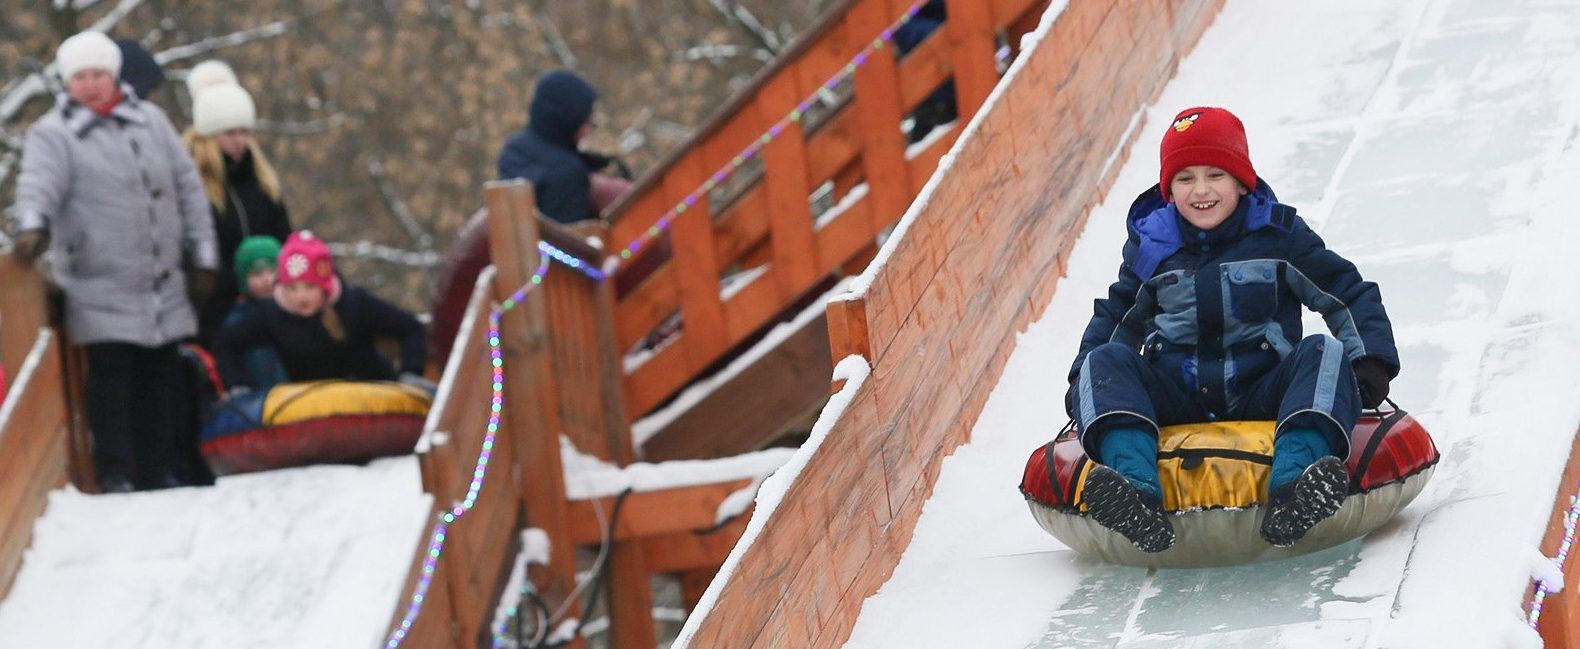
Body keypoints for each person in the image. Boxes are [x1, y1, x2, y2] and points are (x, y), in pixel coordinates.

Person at [1063, 107, 1398, 552]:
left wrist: (1369, 361)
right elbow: (1116, 318)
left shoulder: (1278, 236)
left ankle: (1295, 486)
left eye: (1215, 175)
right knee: (1104, 360)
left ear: (1242, 181)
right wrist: (1085, 386)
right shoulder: (1153, 248)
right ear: (1168, 192)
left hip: (1262, 389)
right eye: (1185, 179)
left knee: (1325, 350)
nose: (1201, 191)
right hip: (1178, 394)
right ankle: (1134, 493)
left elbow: (1344, 291)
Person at [10, 31, 220, 493]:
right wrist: (32, 226)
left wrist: (202, 257)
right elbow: (38, 185)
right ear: (68, 82)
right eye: (80, 77)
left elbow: (189, 191)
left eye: (98, 75)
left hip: (161, 281)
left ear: (113, 77)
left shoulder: (150, 121)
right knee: (111, 384)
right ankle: (117, 472)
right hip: (98, 280)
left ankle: (160, 469)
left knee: (160, 379)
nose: (89, 85)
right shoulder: (55, 133)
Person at [214, 231, 427, 391]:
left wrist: (410, 372)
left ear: (324, 286)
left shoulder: (354, 303)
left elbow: (411, 327)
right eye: (292, 288)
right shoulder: (272, 313)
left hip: (370, 394)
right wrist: (238, 386)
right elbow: (227, 343)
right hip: (312, 407)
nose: (300, 297)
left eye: (309, 287)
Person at [182, 60, 293, 345]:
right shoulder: (191, 183)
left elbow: (283, 232)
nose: (239, 140)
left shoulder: (261, 178)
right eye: (230, 133)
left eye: (244, 131)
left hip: (269, 300)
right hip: (216, 309)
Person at [496, 69, 605, 225]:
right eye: (586, 120)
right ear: (569, 119)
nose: (588, 129)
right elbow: (574, 240)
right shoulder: (567, 172)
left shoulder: (514, 149)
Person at [222, 235, 289, 391]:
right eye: (258, 274)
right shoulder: (237, 320)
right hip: (258, 399)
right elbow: (228, 358)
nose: (267, 280)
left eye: (273, 271)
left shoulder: (295, 311)